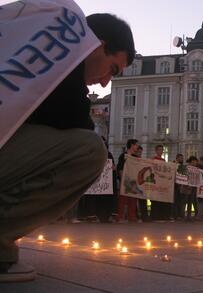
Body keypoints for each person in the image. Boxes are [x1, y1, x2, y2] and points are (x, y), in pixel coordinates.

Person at [0, 12, 135, 282]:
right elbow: (75, 119)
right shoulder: (59, 65)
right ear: (98, 45)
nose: (107, 81)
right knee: (89, 151)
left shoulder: (26, 46)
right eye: (113, 68)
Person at [116, 139, 139, 223]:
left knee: (133, 200)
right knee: (122, 200)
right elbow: (120, 168)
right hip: (125, 180)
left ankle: (132, 217)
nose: (137, 146)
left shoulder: (136, 157)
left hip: (133, 181)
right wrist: (122, 179)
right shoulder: (123, 156)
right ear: (132, 145)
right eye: (136, 145)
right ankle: (120, 217)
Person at [149, 145, 171, 221]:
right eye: (159, 150)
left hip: (161, 183)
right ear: (156, 150)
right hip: (155, 182)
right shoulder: (153, 159)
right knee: (154, 200)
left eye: (162, 150)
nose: (161, 151)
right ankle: (154, 216)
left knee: (160, 199)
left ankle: (160, 216)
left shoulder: (163, 160)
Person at [182, 156, 198, 221]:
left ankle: (189, 216)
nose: (195, 163)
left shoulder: (196, 169)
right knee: (184, 202)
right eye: (194, 162)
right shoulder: (186, 168)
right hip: (186, 187)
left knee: (190, 202)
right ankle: (183, 216)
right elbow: (183, 176)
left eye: (196, 162)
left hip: (193, 187)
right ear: (190, 162)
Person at [171, 154, 185, 220]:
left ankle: (180, 214)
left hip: (180, 185)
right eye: (180, 158)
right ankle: (175, 215)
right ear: (177, 158)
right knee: (175, 201)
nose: (182, 159)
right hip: (175, 185)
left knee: (180, 201)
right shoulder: (173, 164)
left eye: (182, 158)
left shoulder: (182, 166)